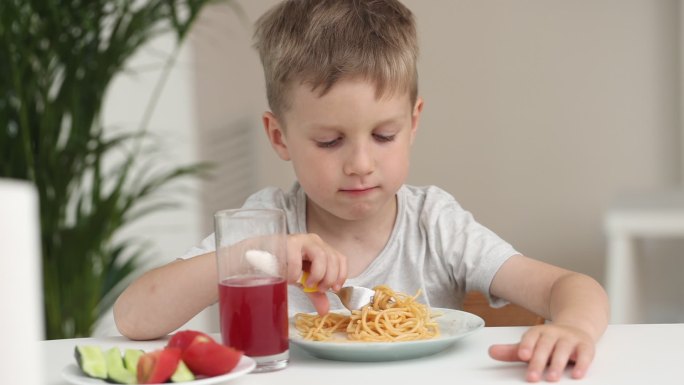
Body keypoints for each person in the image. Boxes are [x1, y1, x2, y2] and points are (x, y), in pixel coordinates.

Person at [113, 0, 609, 382]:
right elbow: (134, 318)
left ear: (413, 123)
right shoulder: (268, 224)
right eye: (329, 141)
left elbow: (571, 288)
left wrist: (575, 328)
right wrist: (257, 254)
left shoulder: (435, 224)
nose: (360, 164)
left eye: (383, 136)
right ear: (279, 137)